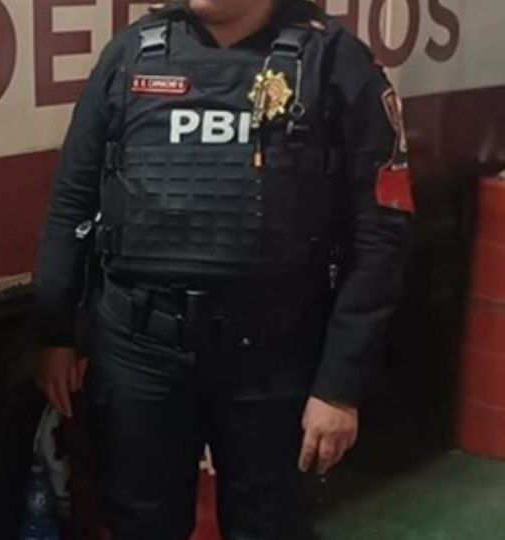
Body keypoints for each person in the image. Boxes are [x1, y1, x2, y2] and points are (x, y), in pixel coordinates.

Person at [34, 0, 414, 538]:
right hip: (139, 354)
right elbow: (72, 201)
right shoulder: (131, 54)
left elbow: (381, 237)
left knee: (269, 528)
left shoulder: (335, 62)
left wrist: (339, 386)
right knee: (138, 524)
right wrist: (55, 334)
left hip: (275, 357)